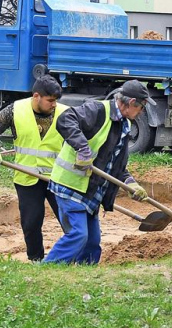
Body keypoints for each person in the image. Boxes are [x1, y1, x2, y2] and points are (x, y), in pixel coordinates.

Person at [43, 80, 151, 265]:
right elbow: (65, 119)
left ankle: (87, 273)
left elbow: (113, 164)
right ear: (132, 102)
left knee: (93, 242)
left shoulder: (123, 125)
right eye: (142, 106)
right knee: (79, 234)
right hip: (70, 186)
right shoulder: (98, 110)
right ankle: (49, 267)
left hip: (91, 191)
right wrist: (82, 148)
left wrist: (130, 183)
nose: (141, 111)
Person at [0, 75, 66, 261]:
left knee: (69, 221)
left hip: (58, 178)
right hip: (28, 178)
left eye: (56, 101)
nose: (54, 105)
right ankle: (36, 260)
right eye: (50, 100)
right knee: (31, 222)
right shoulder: (15, 110)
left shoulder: (66, 114)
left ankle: (76, 257)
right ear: (37, 96)